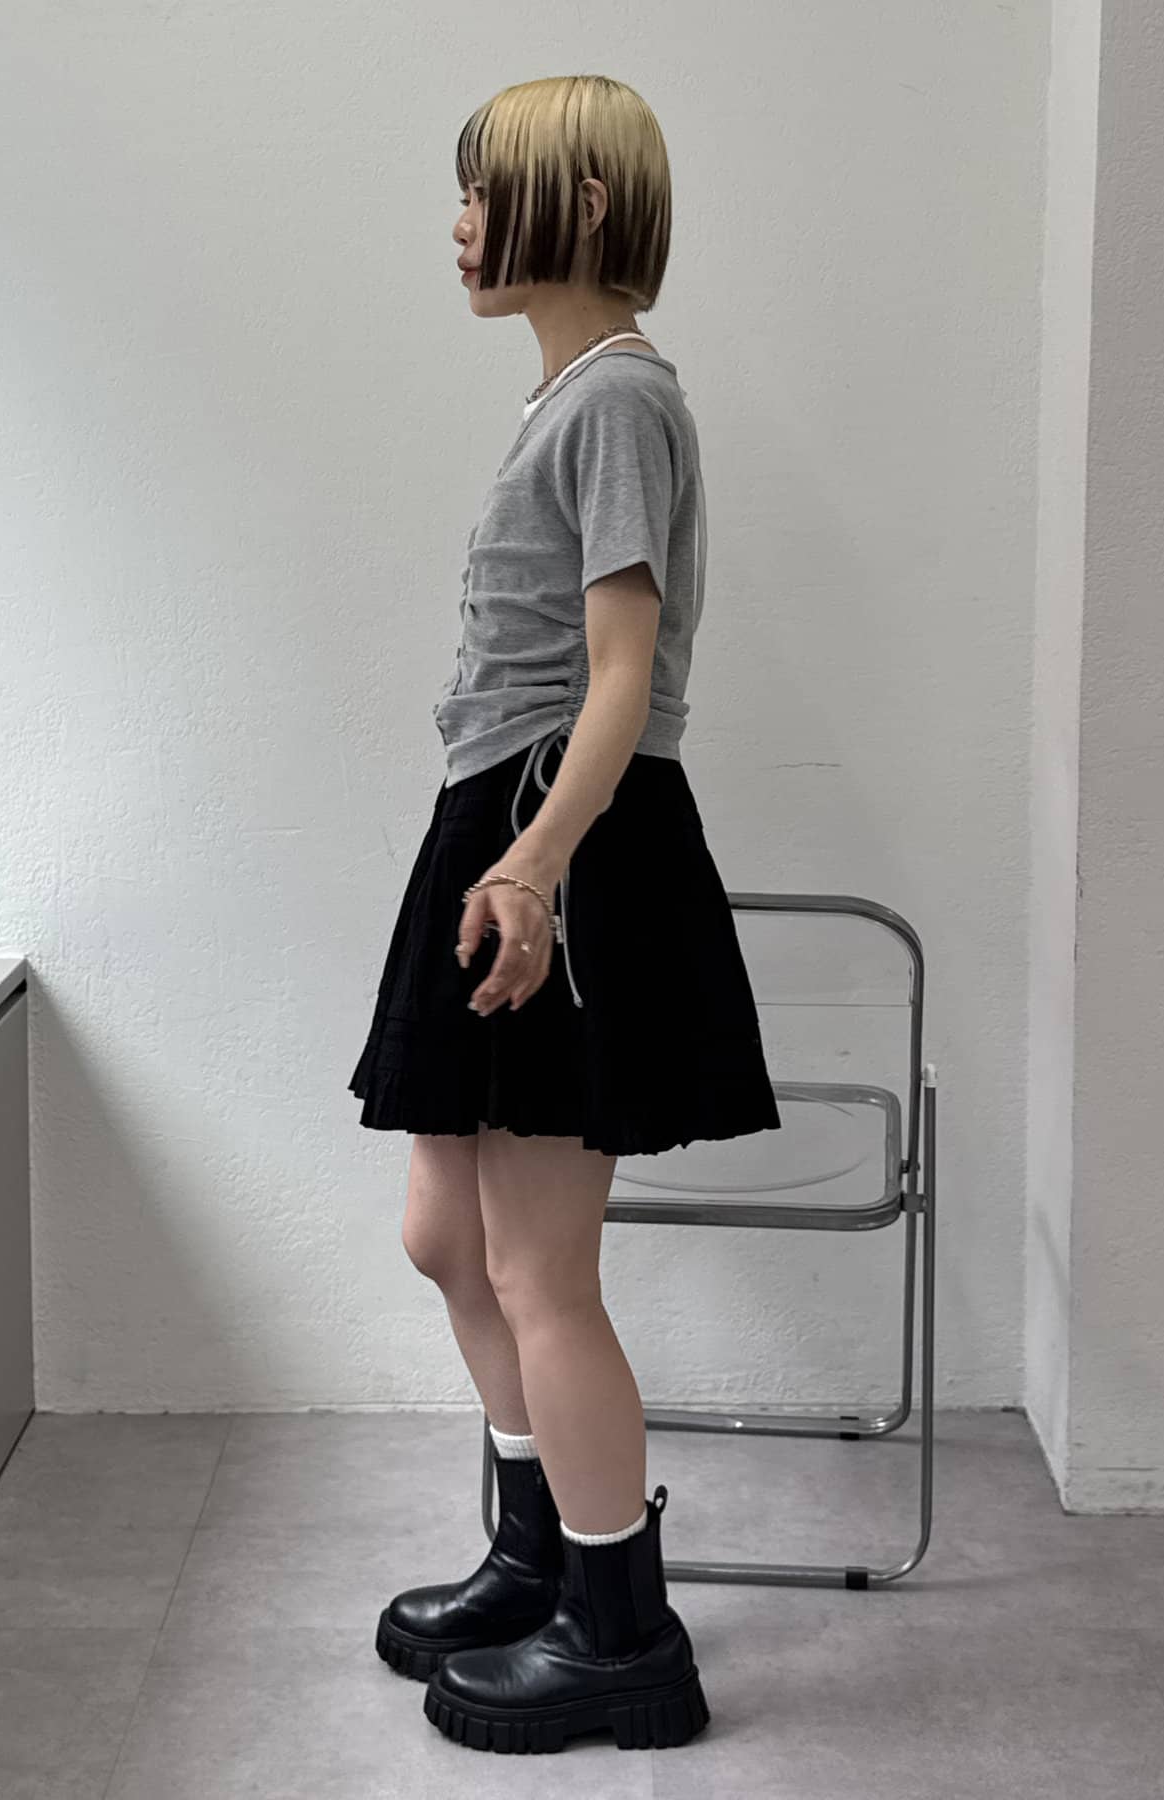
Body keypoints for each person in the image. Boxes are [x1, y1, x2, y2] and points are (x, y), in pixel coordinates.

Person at [348, 72, 782, 1755]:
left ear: (581, 204)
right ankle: (537, 1561)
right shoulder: (569, 403)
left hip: (560, 832)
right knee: (448, 1239)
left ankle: (623, 1637)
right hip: (504, 818)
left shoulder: (618, 403)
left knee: (540, 1265)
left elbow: (621, 675)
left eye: (484, 190)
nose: (459, 224)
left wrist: (532, 867)